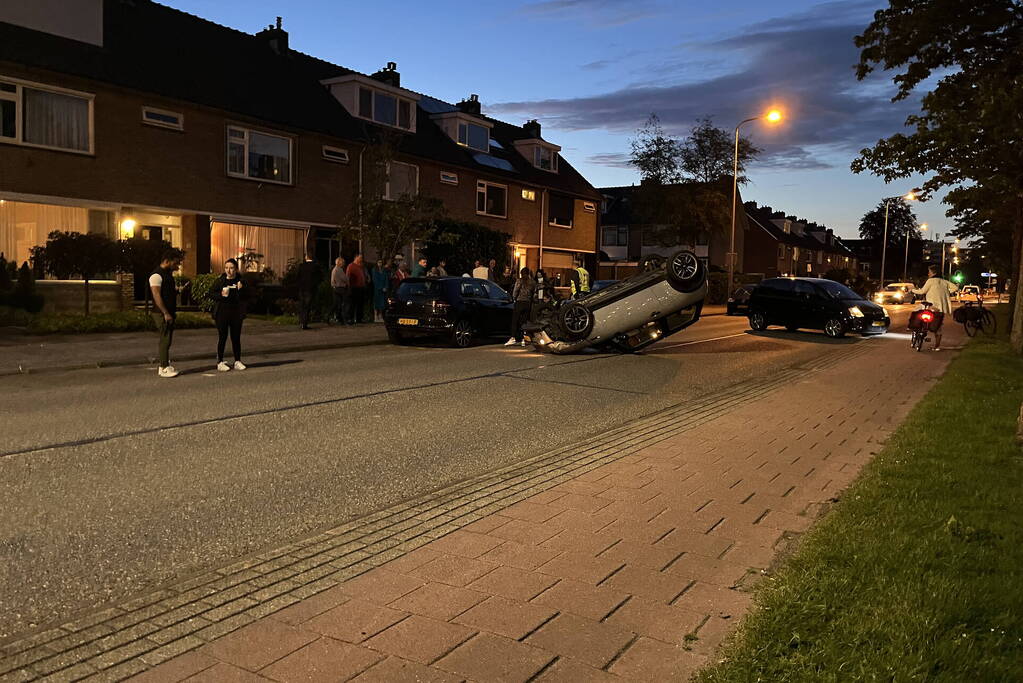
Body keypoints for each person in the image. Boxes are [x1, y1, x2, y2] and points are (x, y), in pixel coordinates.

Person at [150, 251, 183, 378]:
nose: (178, 265)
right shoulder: (156, 275)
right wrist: (165, 313)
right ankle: (163, 367)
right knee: (165, 339)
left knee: (167, 339)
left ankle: (165, 364)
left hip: (168, 312)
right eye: (176, 262)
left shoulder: (167, 274)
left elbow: (166, 292)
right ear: (167, 261)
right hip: (161, 313)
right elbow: (156, 295)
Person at [912, 265, 958, 351]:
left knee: (916, 311)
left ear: (934, 273)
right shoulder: (944, 282)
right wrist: (946, 292)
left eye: (929, 271)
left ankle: (915, 328)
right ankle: (936, 347)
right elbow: (955, 287)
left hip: (930, 306)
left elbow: (922, 291)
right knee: (938, 327)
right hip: (940, 308)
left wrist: (912, 290)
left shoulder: (931, 281)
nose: (928, 273)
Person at [213, 258, 247, 371]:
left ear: (236, 269)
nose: (229, 270)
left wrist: (241, 290)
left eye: (231, 268)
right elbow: (211, 293)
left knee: (236, 337)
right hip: (222, 313)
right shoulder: (220, 280)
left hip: (236, 313)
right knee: (222, 337)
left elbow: (249, 295)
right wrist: (221, 295)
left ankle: (237, 361)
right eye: (226, 268)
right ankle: (220, 362)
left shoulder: (240, 281)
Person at [506, 267, 536, 347]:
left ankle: (513, 338)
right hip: (528, 303)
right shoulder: (532, 282)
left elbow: (515, 291)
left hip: (519, 302)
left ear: (521, 273)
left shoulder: (519, 281)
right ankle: (524, 339)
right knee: (524, 321)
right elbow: (533, 292)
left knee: (515, 320)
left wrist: (514, 298)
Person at [297, 253, 321, 330]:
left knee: (302, 305)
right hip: (310, 289)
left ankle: (301, 322)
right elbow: (319, 278)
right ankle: (304, 323)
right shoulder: (315, 266)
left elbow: (298, 277)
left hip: (302, 289)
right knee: (307, 307)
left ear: (306, 258)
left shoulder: (301, 266)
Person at [346, 254, 367, 324]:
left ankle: (359, 318)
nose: (361, 259)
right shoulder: (351, 266)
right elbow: (348, 277)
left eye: (361, 258)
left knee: (360, 304)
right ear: (356, 258)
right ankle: (350, 318)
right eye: (360, 258)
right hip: (354, 288)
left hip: (361, 288)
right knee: (352, 304)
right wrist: (349, 287)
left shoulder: (360, 267)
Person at [330, 256, 349, 325]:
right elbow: (345, 279)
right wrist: (347, 281)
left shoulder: (334, 269)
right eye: (343, 262)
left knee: (337, 304)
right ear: (339, 262)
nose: (344, 263)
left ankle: (335, 317)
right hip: (341, 288)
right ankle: (344, 319)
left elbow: (332, 281)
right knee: (345, 304)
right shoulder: (339, 270)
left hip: (335, 288)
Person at [372, 259, 390, 323]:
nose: (380, 264)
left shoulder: (384, 270)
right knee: (377, 303)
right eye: (379, 262)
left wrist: (385, 287)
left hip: (383, 290)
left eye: (381, 262)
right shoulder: (374, 270)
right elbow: (375, 280)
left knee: (383, 304)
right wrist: (381, 287)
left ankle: (380, 316)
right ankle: (376, 317)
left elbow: (386, 279)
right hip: (377, 289)